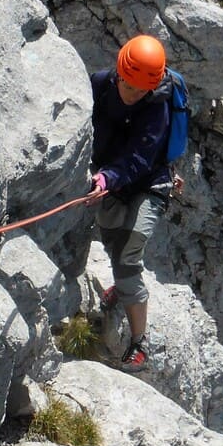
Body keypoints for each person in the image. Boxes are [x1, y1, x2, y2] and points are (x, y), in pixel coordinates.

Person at [83, 34, 186, 370]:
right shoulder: (100, 83)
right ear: (119, 72)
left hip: (150, 182)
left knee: (128, 252)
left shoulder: (157, 104)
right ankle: (124, 287)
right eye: (127, 87)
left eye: (139, 91)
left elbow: (141, 158)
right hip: (112, 180)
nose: (132, 94)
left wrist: (106, 179)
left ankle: (140, 344)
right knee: (113, 244)